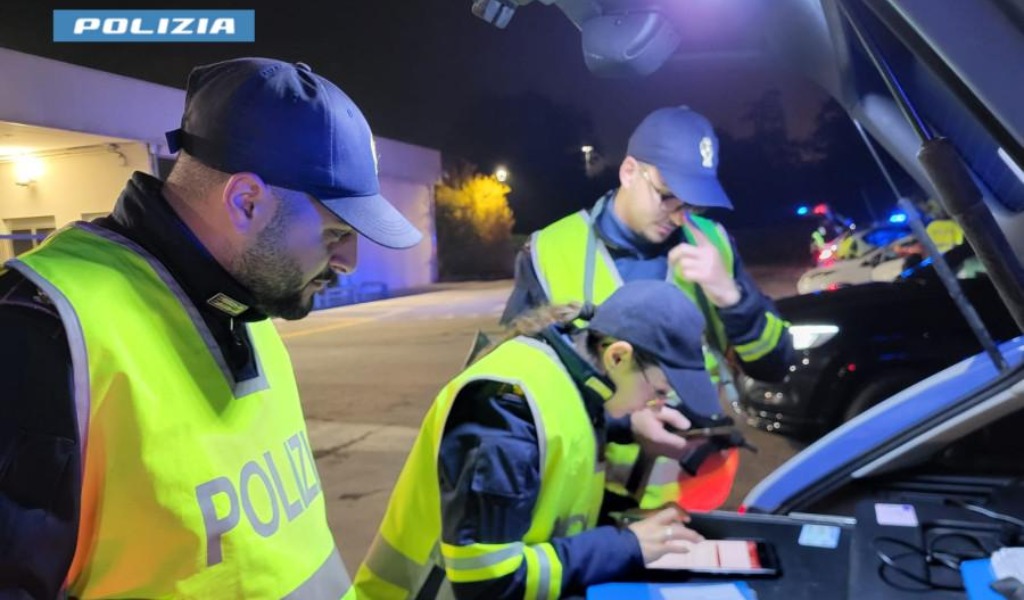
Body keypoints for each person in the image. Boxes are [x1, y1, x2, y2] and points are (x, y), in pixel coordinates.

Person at [0, 57, 422, 599]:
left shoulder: (245, 305)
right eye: (336, 232)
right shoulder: (39, 331)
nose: (350, 259)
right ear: (246, 202)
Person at [501, 106, 793, 512]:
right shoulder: (549, 250)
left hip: (697, 493)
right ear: (629, 172)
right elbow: (515, 392)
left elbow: (774, 365)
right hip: (590, 498)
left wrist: (730, 296)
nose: (680, 216)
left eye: (694, 204)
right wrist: (620, 422)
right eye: (668, 196)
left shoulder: (712, 244)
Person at [350, 280, 712, 599]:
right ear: (618, 356)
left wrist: (628, 427)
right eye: (658, 392)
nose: (656, 405)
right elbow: (486, 582)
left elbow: (561, 438)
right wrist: (625, 547)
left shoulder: (579, 380)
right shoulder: (505, 406)